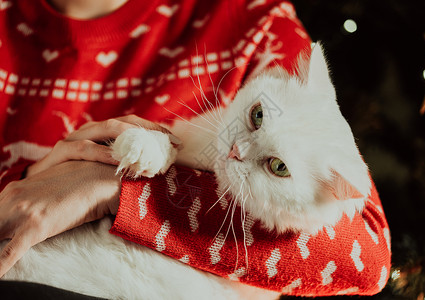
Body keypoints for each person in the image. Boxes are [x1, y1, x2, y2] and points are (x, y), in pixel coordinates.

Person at [0, 0, 391, 296]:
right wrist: (30, 184)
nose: (237, 150)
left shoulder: (250, 20)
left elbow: (366, 256)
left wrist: (121, 194)